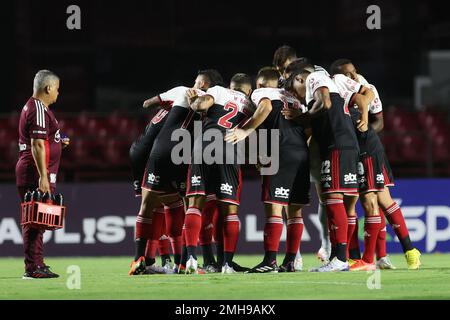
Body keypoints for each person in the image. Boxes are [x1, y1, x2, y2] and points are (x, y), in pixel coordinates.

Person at [329, 59, 422, 270]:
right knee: (372, 200)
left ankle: (372, 258)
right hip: (353, 149)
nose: (353, 77)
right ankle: (385, 254)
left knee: (374, 199)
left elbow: (378, 119)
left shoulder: (356, 83)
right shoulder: (339, 84)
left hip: (367, 148)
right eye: (348, 73)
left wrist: (364, 125)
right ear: (338, 75)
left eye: (354, 72)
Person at [225, 67, 310, 273]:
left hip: (279, 151)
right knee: (295, 209)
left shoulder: (262, 93)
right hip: (301, 151)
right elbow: (308, 126)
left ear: (260, 84)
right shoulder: (294, 99)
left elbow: (265, 108)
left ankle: (270, 261)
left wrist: (245, 130)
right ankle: (290, 261)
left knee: (274, 206)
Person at [282, 66, 360, 272]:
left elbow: (325, 103)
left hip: (336, 144)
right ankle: (337, 257)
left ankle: (341, 258)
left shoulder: (315, 78)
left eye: (294, 89)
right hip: (345, 143)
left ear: (300, 78)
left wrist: (300, 116)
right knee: (334, 201)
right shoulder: (333, 82)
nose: (297, 95)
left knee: (333, 200)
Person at [184, 73, 254, 274]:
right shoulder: (250, 104)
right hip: (228, 149)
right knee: (229, 211)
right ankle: (226, 264)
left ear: (231, 85)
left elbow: (202, 104)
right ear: (248, 90)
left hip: (203, 146)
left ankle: (191, 258)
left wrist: (194, 102)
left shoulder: (218, 90)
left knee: (196, 204)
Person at [16, 70, 69, 279]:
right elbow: (37, 144)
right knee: (33, 220)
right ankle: (32, 267)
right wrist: (43, 176)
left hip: (36, 171)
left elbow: (44, 140)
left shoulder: (38, 108)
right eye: (57, 88)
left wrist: (58, 142)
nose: (58, 92)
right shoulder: (38, 108)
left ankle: (37, 263)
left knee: (38, 220)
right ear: (48, 88)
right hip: (35, 173)